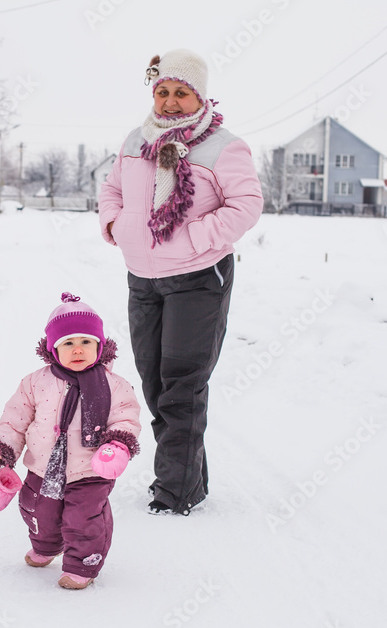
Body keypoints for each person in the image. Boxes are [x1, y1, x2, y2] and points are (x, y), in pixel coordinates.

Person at [98, 49, 263, 516]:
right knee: (155, 387)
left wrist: (195, 237)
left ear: (199, 95)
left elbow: (246, 205)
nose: (170, 102)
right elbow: (111, 190)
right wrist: (116, 224)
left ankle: (174, 492)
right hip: (143, 279)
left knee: (182, 388)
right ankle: (190, 479)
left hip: (198, 279)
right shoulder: (136, 139)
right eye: (163, 92)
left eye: (180, 93)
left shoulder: (224, 146)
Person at [0, 293, 141, 589]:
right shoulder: (34, 382)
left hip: (90, 471)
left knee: (84, 520)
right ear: (53, 348)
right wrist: (5, 448)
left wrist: (116, 445)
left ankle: (82, 564)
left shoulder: (114, 385)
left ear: (100, 346)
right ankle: (47, 545)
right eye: (68, 343)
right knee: (37, 510)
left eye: (85, 342)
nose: (77, 350)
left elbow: (125, 418)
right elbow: (15, 417)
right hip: (42, 468)